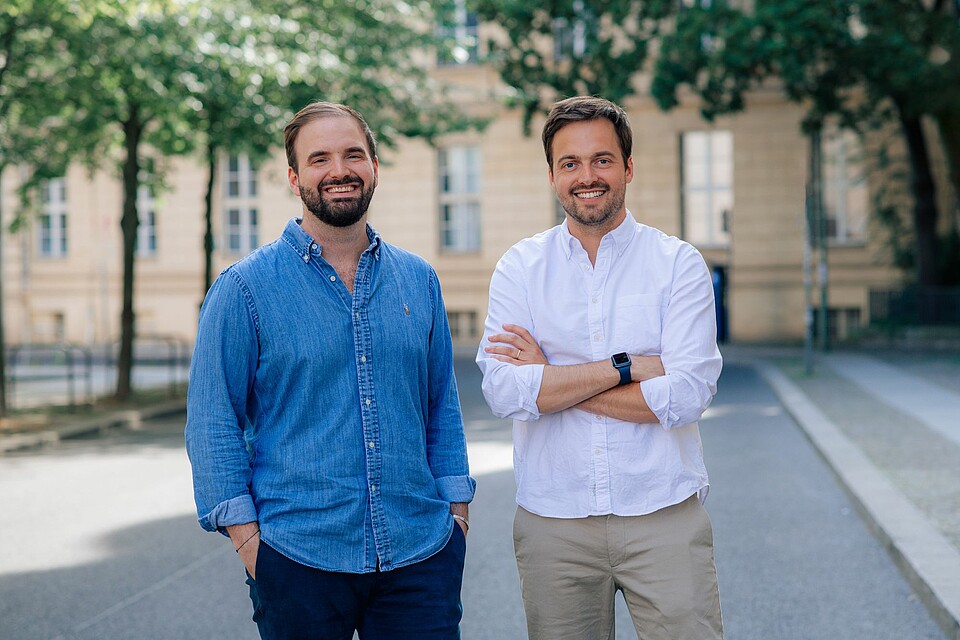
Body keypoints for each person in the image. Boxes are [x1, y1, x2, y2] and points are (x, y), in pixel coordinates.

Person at [185, 101, 475, 640]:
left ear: (374, 167)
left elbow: (442, 409)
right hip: (296, 561)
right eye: (319, 159)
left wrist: (456, 516)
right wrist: (252, 547)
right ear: (295, 177)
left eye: (352, 155)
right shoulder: (243, 290)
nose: (338, 170)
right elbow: (213, 424)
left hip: (420, 556)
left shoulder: (420, 281)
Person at [476, 96, 723, 640]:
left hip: (663, 513)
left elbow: (683, 398)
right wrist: (627, 367)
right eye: (570, 163)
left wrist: (553, 377)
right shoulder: (520, 268)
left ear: (628, 168)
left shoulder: (677, 265)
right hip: (553, 524)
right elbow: (504, 391)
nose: (587, 176)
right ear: (552, 175)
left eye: (602, 160)